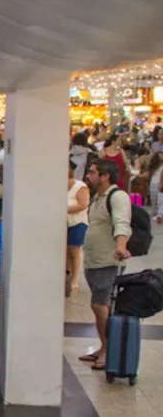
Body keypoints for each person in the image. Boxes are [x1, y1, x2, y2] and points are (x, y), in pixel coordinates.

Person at [78, 159, 134, 371]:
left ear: (105, 176)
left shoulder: (117, 197)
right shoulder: (98, 197)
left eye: (92, 172)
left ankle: (109, 350)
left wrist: (120, 245)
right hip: (94, 260)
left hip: (108, 261)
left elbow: (122, 224)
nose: (88, 176)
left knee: (100, 306)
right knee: (99, 306)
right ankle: (103, 347)